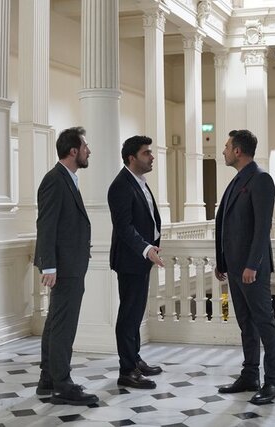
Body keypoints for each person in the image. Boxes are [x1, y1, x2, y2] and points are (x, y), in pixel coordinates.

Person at [215, 129, 275, 405]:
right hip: (234, 267)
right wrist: (221, 261)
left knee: (264, 323)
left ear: (238, 151)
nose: (223, 151)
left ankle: (272, 382)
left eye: (227, 146)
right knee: (245, 323)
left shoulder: (261, 179)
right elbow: (225, 224)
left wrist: (252, 264)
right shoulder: (237, 180)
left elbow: (262, 227)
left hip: (252, 269)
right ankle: (250, 375)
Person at [34, 126, 98, 405]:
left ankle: (48, 379)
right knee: (63, 325)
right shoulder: (55, 180)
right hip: (64, 266)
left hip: (70, 264)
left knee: (55, 322)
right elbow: (46, 224)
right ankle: (62, 384)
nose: (88, 151)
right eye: (85, 147)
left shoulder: (66, 178)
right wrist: (49, 265)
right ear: (73, 151)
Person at [108, 135, 164, 389]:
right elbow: (124, 227)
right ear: (132, 158)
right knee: (128, 315)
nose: (151, 157)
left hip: (142, 259)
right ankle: (127, 370)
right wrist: (146, 248)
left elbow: (148, 219)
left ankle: (135, 359)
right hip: (130, 259)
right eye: (146, 153)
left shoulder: (139, 182)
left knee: (136, 313)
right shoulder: (120, 185)